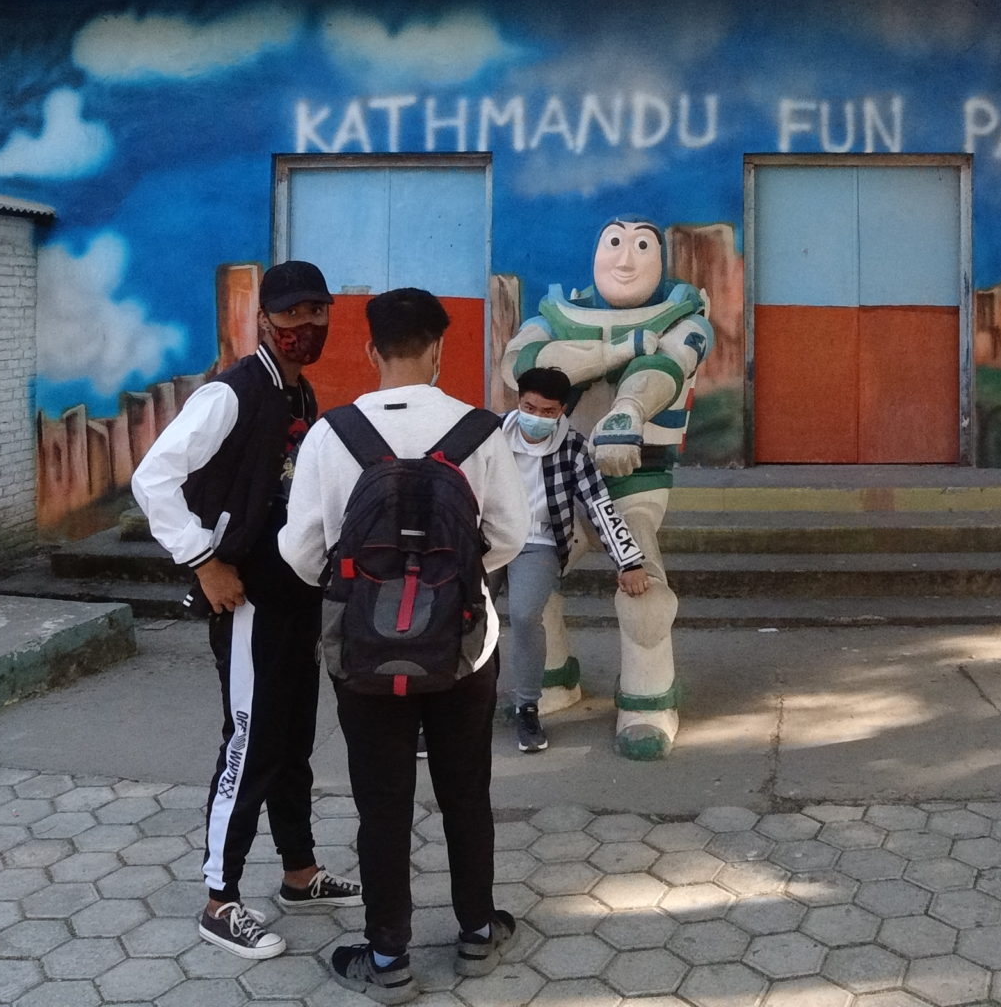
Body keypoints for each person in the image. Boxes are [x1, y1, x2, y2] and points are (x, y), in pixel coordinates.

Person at [282, 289, 529, 1001]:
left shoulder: (333, 434)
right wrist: (449, 585)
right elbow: (509, 536)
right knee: (466, 790)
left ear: (371, 350)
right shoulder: (480, 431)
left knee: (382, 801)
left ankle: (388, 957)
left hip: (364, 652)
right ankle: (477, 930)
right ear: (439, 350)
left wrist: (367, 590)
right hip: (464, 648)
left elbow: (301, 551)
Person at [131, 260, 360, 962]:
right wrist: (203, 560)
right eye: (291, 315)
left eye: (317, 313)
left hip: (294, 594)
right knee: (250, 742)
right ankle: (219, 899)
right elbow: (153, 477)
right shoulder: (230, 394)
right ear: (264, 320)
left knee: (292, 739)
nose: (306, 327)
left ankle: (299, 872)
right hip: (246, 598)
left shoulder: (298, 391)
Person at [500, 217, 712, 759]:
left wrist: (629, 409)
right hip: (557, 487)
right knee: (533, 591)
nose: (626, 258)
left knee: (645, 594)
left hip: (635, 480)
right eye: (614, 242)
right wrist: (623, 347)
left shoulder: (686, 319)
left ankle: (648, 699)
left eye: (641, 245)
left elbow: (668, 364)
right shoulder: (551, 316)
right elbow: (524, 365)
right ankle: (547, 681)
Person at [499, 365, 651, 753]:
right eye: (529, 407)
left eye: (548, 411)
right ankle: (446, 705)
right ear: (518, 401)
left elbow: (598, 504)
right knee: (460, 612)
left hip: (539, 542)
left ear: (562, 410)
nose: (537, 417)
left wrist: (629, 562)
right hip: (486, 539)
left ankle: (527, 707)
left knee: (524, 615)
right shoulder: (490, 436)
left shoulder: (573, 447)